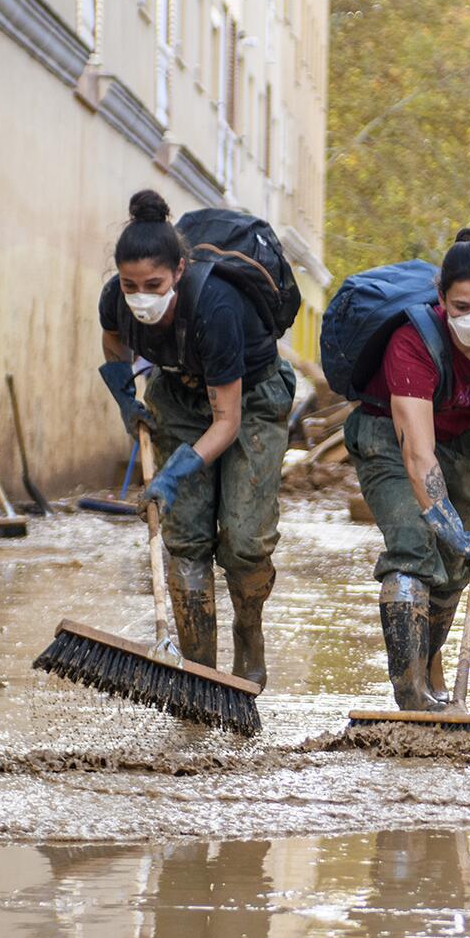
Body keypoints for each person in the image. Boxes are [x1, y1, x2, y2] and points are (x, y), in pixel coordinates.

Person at [345, 229, 470, 710]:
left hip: (461, 435)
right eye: (461, 307)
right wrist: (454, 531)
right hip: (389, 440)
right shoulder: (411, 343)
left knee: (456, 570)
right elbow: (419, 458)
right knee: (416, 551)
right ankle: (411, 696)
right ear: (442, 300)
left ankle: (431, 668)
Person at [97, 190, 295, 687]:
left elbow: (226, 423)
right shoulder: (116, 300)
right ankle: (201, 677)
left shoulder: (216, 308)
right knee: (185, 541)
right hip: (179, 395)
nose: (140, 296)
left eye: (154, 284)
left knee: (247, 539)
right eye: (130, 284)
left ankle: (248, 630)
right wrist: (126, 396)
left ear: (179, 272)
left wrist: (172, 476)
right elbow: (114, 340)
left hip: (248, 400)